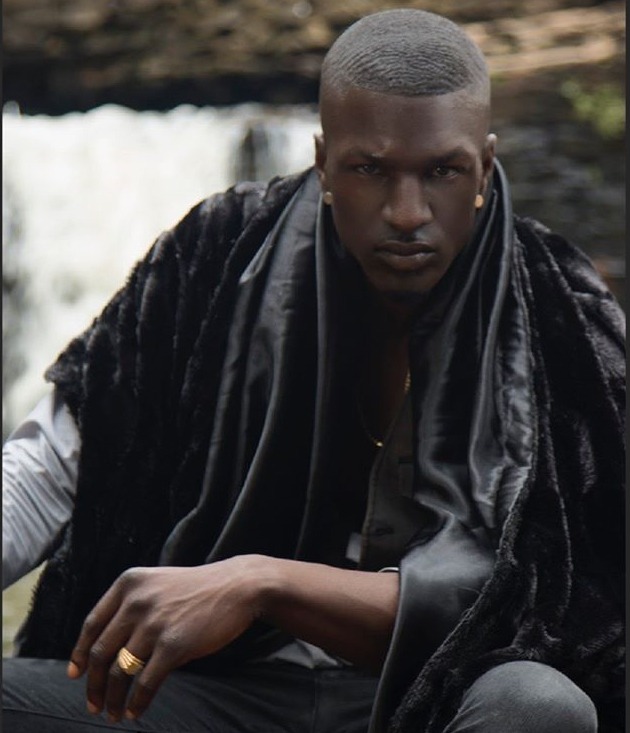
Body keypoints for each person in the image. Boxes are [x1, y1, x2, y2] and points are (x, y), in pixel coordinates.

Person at [2, 8, 624, 733]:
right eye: (370, 170)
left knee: (539, 706)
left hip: (432, 698)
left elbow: (559, 602)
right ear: (324, 161)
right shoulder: (218, 254)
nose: (407, 212)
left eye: (442, 171)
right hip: (214, 688)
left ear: (484, 167)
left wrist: (261, 582)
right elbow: (47, 473)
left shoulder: (560, 307)